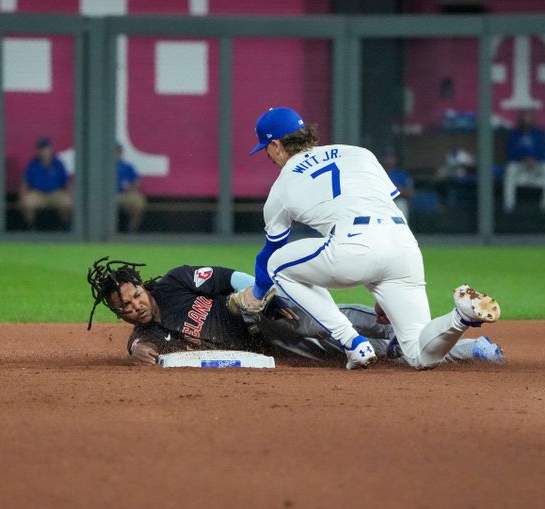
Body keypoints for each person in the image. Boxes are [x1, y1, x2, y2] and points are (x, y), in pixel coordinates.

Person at [237, 106, 501, 370]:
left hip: (353, 246)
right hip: (403, 245)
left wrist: (257, 295)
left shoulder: (282, 186)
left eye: (266, 149)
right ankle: (460, 317)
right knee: (419, 354)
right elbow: (384, 208)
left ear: (276, 144)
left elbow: (271, 252)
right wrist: (383, 287)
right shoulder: (359, 153)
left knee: (277, 264)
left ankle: (351, 342)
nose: (268, 156)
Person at [86, 258, 505, 367]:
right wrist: (139, 355)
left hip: (254, 314)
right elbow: (151, 356)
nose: (133, 306)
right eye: (123, 306)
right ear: (116, 313)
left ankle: (383, 319)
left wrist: (269, 295)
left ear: (142, 286)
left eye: (134, 295)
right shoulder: (145, 338)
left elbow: (232, 278)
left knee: (309, 320)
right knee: (355, 354)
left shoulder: (177, 282)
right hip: (265, 348)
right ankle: (471, 348)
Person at [19, 136, 72, 229]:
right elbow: (25, 183)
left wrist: (70, 195)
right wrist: (22, 197)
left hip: (55, 193)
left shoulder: (58, 163)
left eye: (46, 148)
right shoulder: (33, 164)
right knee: (27, 202)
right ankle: (31, 228)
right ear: (38, 150)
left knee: (67, 202)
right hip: (38, 193)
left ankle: (65, 227)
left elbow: (66, 182)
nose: (44, 151)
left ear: (51, 149)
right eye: (41, 149)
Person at [503, 110, 545, 213]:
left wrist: (533, 158)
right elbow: (510, 153)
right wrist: (524, 157)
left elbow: (543, 151)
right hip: (520, 166)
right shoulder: (514, 134)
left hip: (537, 166)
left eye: (529, 118)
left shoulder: (539, 134)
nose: (527, 121)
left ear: (533, 120)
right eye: (525, 118)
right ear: (520, 120)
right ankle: (509, 206)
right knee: (510, 169)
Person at [116, 143, 148, 232]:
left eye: (118, 151)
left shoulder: (127, 166)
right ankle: (101, 231)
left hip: (125, 195)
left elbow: (136, 182)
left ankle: (131, 230)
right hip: (106, 197)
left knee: (139, 202)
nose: (116, 154)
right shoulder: (103, 166)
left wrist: (129, 190)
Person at [380, 150, 415, 219]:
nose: (388, 160)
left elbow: (411, 193)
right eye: (386, 157)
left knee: (401, 204)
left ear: (395, 159)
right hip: (381, 201)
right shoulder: (378, 172)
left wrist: (394, 189)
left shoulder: (402, 174)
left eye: (391, 157)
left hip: (398, 201)